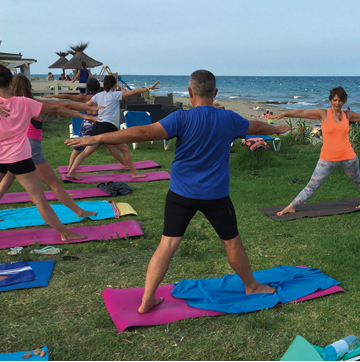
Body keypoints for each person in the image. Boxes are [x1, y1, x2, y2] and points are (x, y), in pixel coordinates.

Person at [66, 69, 291, 313]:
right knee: (231, 242)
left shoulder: (181, 118)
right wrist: (277, 129)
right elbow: (257, 125)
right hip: (215, 196)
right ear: (215, 93)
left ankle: (147, 299)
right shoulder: (230, 119)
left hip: (181, 194)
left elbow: (143, 132)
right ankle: (251, 286)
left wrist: (99, 138)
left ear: (191, 92)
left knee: (168, 244)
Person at [0, 65, 99, 241]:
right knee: (39, 200)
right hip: (20, 158)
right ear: (10, 81)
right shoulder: (23, 103)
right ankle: (65, 233)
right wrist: (85, 115)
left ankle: (72, 221)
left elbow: (59, 105)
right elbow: (55, 108)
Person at [273, 86, 360, 216]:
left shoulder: (348, 115)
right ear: (331, 100)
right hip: (327, 158)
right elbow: (302, 113)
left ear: (344, 101)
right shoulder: (323, 114)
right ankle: (292, 206)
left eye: (341, 100)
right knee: (312, 186)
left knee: (358, 180)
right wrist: (285, 113)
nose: (337, 103)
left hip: (348, 157)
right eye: (335, 100)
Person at [66, 75, 160, 180]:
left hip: (97, 126)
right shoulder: (115, 94)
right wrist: (148, 88)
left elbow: (85, 106)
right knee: (125, 149)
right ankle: (134, 173)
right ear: (115, 84)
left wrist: (72, 112)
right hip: (108, 126)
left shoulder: (98, 95)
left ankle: (71, 172)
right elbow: (133, 92)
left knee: (86, 152)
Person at [43, 78, 126, 171]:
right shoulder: (100, 96)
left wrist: (52, 96)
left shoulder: (84, 97)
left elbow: (68, 96)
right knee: (109, 146)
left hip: (87, 123)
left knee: (79, 147)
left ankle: (70, 167)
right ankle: (123, 163)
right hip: (98, 122)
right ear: (98, 87)